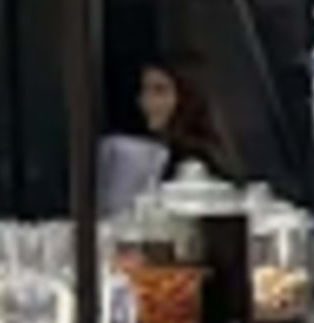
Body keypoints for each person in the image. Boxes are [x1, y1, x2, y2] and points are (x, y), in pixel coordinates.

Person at [97, 51, 244, 222]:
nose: (146, 101)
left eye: (159, 91)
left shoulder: (192, 162)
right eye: (144, 90)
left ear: (188, 96)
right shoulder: (153, 153)